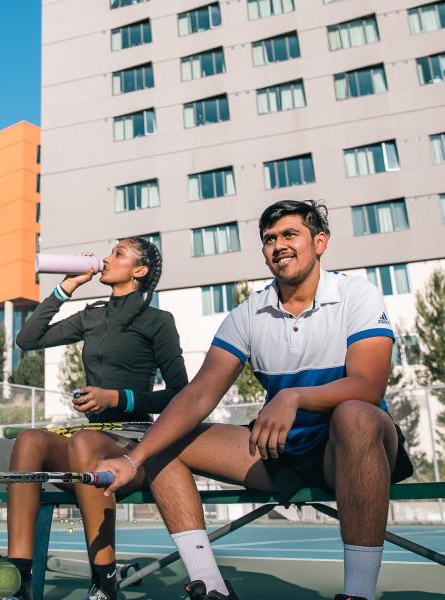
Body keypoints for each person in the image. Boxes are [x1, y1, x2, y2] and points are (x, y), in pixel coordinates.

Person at [100, 200, 413, 600]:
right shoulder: (249, 313)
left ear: (320, 242)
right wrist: (133, 460)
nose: (278, 245)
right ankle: (210, 586)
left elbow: (369, 386)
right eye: (269, 239)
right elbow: (197, 395)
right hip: (280, 448)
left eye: (289, 234)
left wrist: (293, 397)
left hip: (349, 450)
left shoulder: (357, 295)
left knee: (356, 416)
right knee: (168, 438)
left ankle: (359, 594)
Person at [5, 237, 189, 600]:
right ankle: (19, 581)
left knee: (83, 441)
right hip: (89, 445)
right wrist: (67, 287)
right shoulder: (93, 315)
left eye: (118, 253)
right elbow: (27, 339)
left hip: (134, 446)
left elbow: (182, 394)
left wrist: (118, 397)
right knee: (29, 440)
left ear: (139, 271)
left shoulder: (157, 321)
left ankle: (104, 583)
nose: (107, 258)